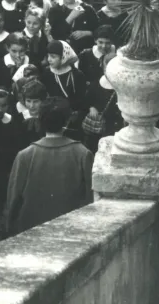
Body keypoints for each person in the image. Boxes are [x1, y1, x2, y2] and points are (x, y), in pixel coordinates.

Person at [6, 97, 93, 236]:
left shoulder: (25, 155)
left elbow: (13, 200)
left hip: (30, 233)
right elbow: (90, 198)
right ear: (67, 120)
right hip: (71, 232)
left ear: (40, 120)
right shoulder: (82, 153)